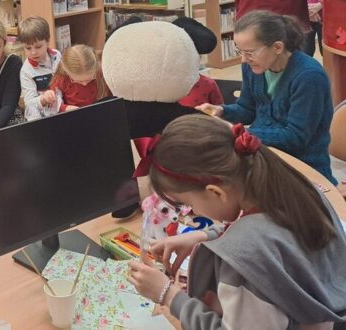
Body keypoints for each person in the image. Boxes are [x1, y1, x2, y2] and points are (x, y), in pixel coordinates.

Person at [127, 115, 346, 328]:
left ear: (215, 192)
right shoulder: (298, 191)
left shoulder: (243, 268)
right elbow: (270, 234)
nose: (192, 210)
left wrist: (167, 294)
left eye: (187, 202)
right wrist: (205, 235)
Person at [196, 11, 336, 184]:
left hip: (303, 168)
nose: (244, 59)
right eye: (239, 51)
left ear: (277, 47)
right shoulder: (254, 68)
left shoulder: (309, 76)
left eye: (250, 52)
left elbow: (295, 138)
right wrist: (221, 111)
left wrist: (237, 132)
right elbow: (247, 110)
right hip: (262, 157)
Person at [18, 16, 62, 121]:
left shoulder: (57, 56)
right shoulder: (26, 71)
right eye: (28, 48)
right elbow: (29, 104)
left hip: (60, 110)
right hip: (40, 118)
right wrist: (43, 99)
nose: (33, 52)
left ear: (47, 41)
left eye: (38, 47)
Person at [45, 44, 108, 113]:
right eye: (78, 81)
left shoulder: (101, 72)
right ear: (67, 71)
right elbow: (52, 103)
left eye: (90, 79)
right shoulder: (62, 78)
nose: (84, 84)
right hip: (72, 116)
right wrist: (65, 108)